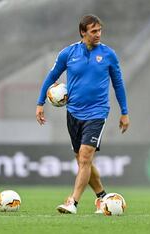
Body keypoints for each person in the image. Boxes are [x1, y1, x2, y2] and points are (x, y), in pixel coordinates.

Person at [35, 14, 129, 214]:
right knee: (82, 161)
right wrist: (40, 103)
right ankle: (102, 197)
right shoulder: (68, 54)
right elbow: (51, 77)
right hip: (73, 113)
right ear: (83, 32)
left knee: (85, 157)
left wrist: (124, 112)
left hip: (97, 112)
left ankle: (73, 202)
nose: (98, 35)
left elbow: (118, 84)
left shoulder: (108, 55)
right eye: (93, 31)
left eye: (100, 30)